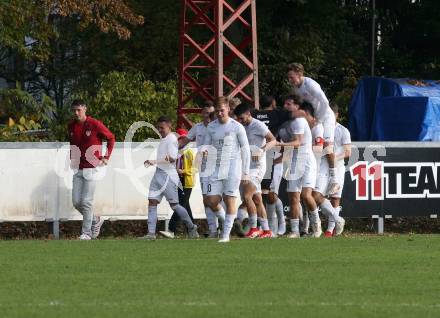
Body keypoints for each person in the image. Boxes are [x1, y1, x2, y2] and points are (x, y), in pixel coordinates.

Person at [142, 116, 199, 240]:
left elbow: (172, 158)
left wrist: (154, 161)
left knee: (175, 205)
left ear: (169, 126)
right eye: (158, 127)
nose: (159, 130)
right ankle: (151, 234)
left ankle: (191, 226)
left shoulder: (172, 139)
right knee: (152, 202)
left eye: (162, 127)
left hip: (168, 175)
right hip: (158, 174)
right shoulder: (164, 140)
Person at [203, 96, 250, 243]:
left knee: (230, 200)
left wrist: (246, 172)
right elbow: (206, 145)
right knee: (210, 200)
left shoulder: (237, 127)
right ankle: (229, 222)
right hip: (215, 168)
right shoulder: (211, 127)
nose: (219, 113)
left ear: (228, 109)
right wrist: (204, 151)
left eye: (222, 110)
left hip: (232, 168)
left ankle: (225, 236)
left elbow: (246, 150)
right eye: (217, 111)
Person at [287, 63, 339, 195]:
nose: (290, 80)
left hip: (325, 117)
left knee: (327, 146)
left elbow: (325, 102)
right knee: (309, 144)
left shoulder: (311, 85)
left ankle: (334, 178)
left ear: (299, 74)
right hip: (313, 118)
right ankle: (312, 176)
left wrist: (319, 119)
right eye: (288, 78)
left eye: (292, 77)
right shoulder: (295, 88)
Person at [276, 95, 322, 238]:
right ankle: (295, 231)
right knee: (293, 197)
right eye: (285, 103)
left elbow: (298, 142)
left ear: (297, 107)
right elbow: (287, 147)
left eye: (289, 104)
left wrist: (278, 144)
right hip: (294, 162)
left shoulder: (299, 121)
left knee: (306, 195)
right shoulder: (283, 124)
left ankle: (317, 228)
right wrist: (278, 159)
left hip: (307, 161)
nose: (286, 106)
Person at [68, 99, 115, 240]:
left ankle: (86, 233)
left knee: (87, 201)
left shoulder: (94, 124)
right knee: (76, 202)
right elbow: (73, 144)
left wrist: (106, 156)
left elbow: (111, 138)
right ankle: (95, 219)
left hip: (93, 167)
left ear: (85, 109)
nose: (76, 113)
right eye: (74, 110)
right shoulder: (71, 125)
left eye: (79, 110)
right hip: (78, 168)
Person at [234, 103, 277, 238]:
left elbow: (273, 140)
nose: (240, 121)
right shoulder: (240, 127)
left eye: (242, 118)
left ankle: (253, 228)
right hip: (245, 167)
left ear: (248, 114)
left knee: (247, 196)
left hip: (257, 167)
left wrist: (261, 150)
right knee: (257, 199)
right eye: (238, 119)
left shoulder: (258, 125)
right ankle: (266, 230)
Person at [178, 102, 219, 237]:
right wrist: (172, 147)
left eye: (211, 114)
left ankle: (224, 226)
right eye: (206, 113)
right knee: (206, 198)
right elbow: (184, 141)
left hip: (219, 167)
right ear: (202, 114)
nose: (208, 116)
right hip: (203, 167)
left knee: (218, 198)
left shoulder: (220, 127)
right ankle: (213, 230)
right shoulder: (198, 127)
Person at [253, 95, 289, 234]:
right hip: (267, 156)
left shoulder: (254, 115)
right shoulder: (278, 115)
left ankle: (279, 224)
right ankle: (266, 226)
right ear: (274, 103)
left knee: (270, 194)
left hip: (273, 158)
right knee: (263, 192)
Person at [160, 128, 196, 238]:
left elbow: (195, 168)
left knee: (180, 205)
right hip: (178, 181)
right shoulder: (176, 152)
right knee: (185, 206)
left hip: (186, 182)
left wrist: (184, 171)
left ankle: (171, 229)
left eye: (182, 139)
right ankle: (193, 229)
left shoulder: (189, 152)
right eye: (178, 139)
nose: (180, 141)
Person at [298, 101, 324, 236]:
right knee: (303, 198)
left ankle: (319, 227)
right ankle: (305, 229)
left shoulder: (317, 127)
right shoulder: (301, 126)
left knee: (308, 196)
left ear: (307, 114)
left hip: (314, 165)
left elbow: (319, 148)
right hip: (301, 163)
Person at [326, 103, 351, 237]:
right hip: (323, 168)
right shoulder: (322, 128)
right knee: (318, 196)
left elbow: (348, 152)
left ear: (336, 115)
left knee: (335, 198)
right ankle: (310, 227)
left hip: (338, 168)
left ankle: (330, 229)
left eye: (332, 114)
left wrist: (335, 157)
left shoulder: (343, 130)